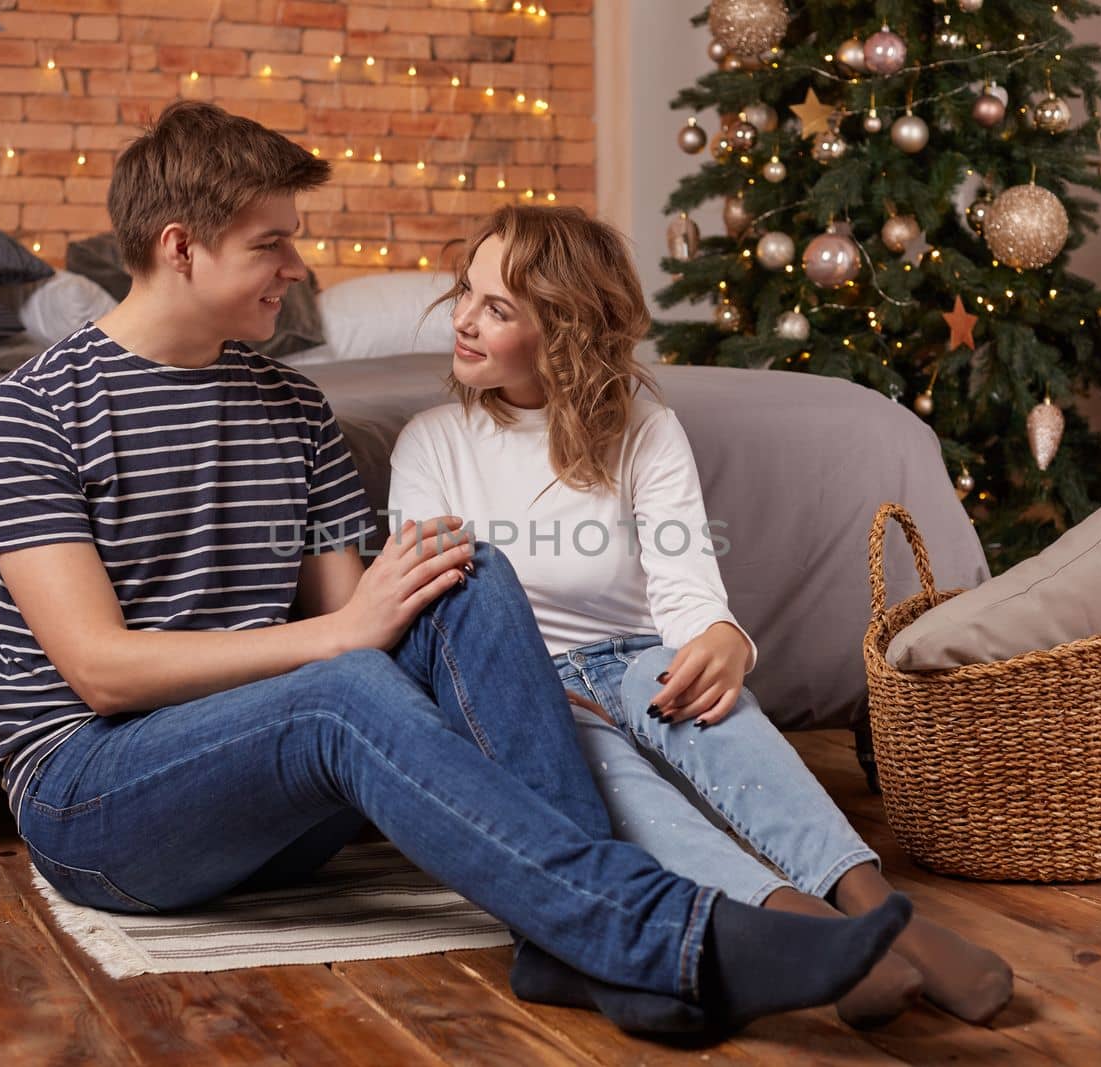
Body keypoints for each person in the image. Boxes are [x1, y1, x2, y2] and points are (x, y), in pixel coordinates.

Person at [0, 102, 913, 1038]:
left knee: (463, 571)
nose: (297, 270)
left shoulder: (294, 408)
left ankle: (575, 944)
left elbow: (373, 627)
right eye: (271, 246)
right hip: (98, 800)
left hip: (279, 803)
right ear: (180, 248)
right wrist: (342, 637)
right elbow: (101, 669)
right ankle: (652, 931)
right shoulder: (32, 411)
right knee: (336, 689)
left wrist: (375, 632)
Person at [388, 204, 1015, 1028]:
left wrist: (721, 641)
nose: (463, 320)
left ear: (565, 329)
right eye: (466, 293)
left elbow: (684, 585)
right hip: (528, 688)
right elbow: (436, 610)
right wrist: (532, 696)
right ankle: (803, 929)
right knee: (620, 783)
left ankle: (878, 905)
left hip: (636, 657)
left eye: (497, 308)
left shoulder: (644, 429)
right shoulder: (431, 441)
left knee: (720, 711)